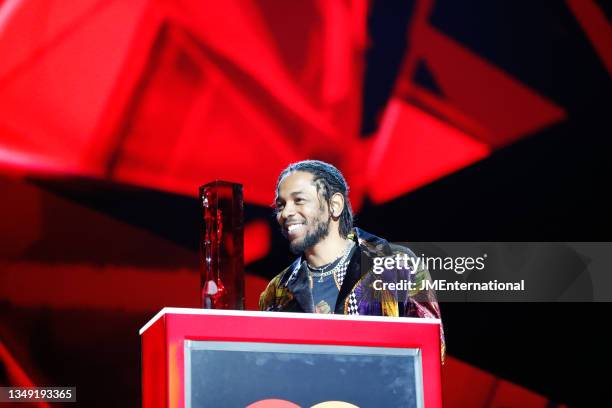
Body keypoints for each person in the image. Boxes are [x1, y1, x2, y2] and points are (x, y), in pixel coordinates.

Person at [259, 160, 445, 360]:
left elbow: (431, 350)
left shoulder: (395, 264)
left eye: (299, 200)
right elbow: (271, 363)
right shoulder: (277, 290)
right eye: (281, 205)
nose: (285, 213)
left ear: (334, 205)